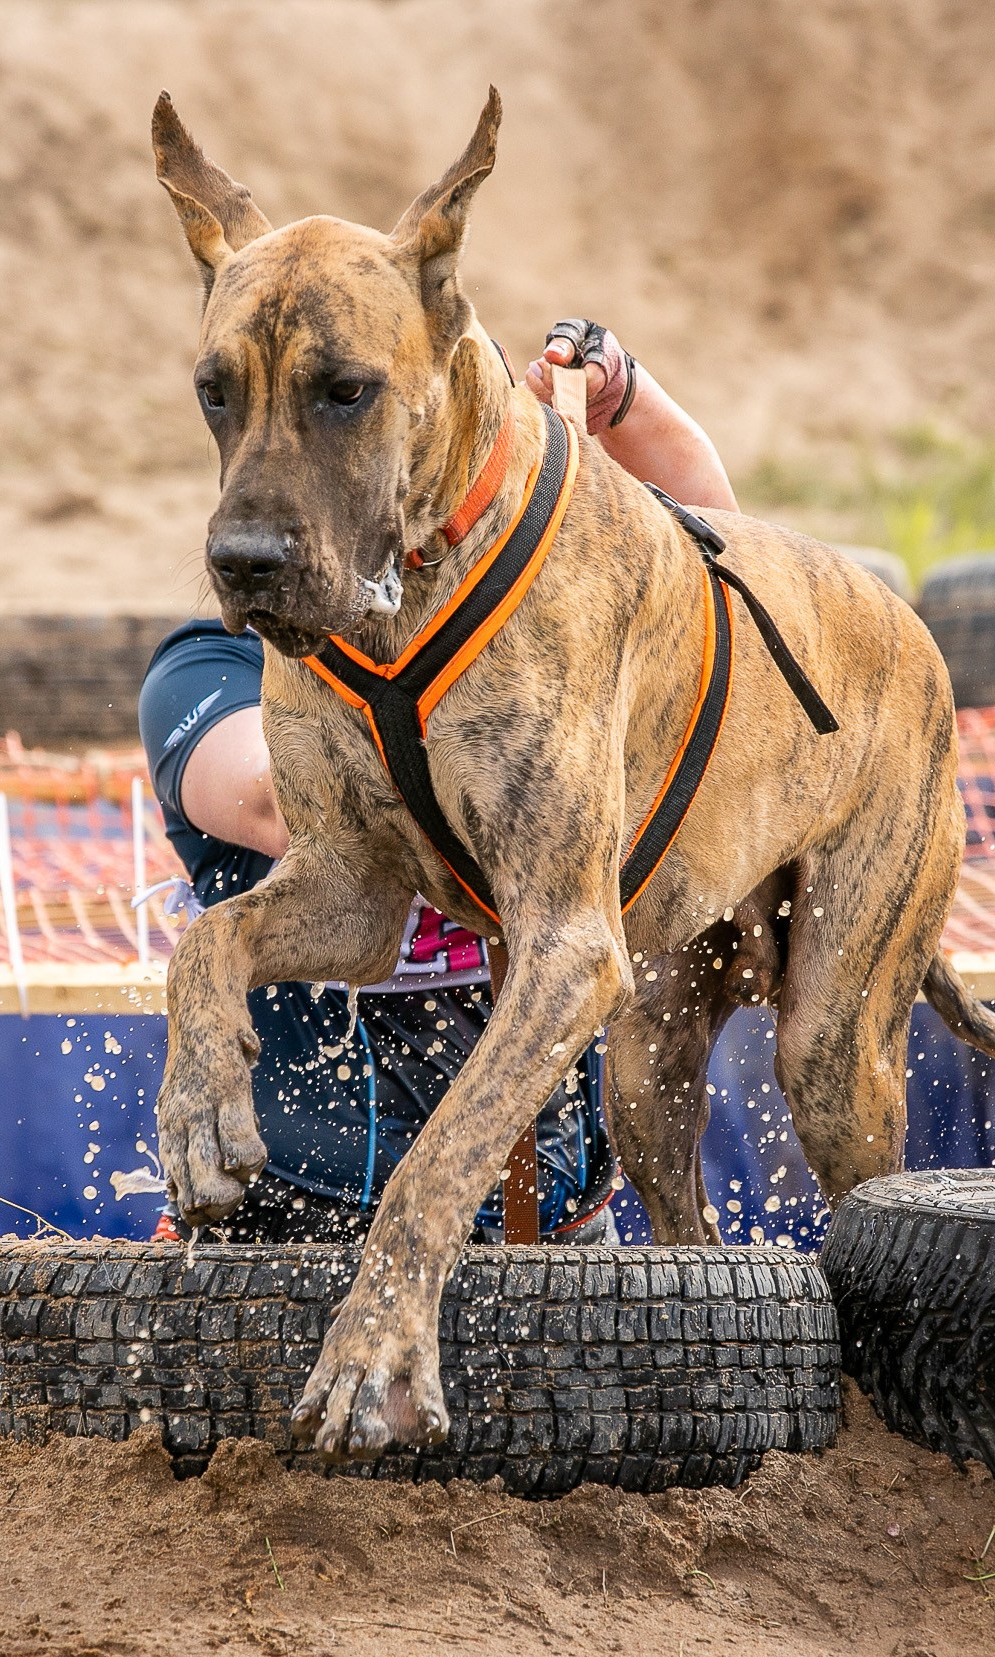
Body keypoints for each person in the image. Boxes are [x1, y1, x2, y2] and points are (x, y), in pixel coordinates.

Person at [138, 322, 737, 1244]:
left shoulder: (516, 663)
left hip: (548, 1223)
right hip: (296, 1225)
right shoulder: (201, 669)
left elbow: (716, 579)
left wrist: (625, 405)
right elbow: (273, 799)